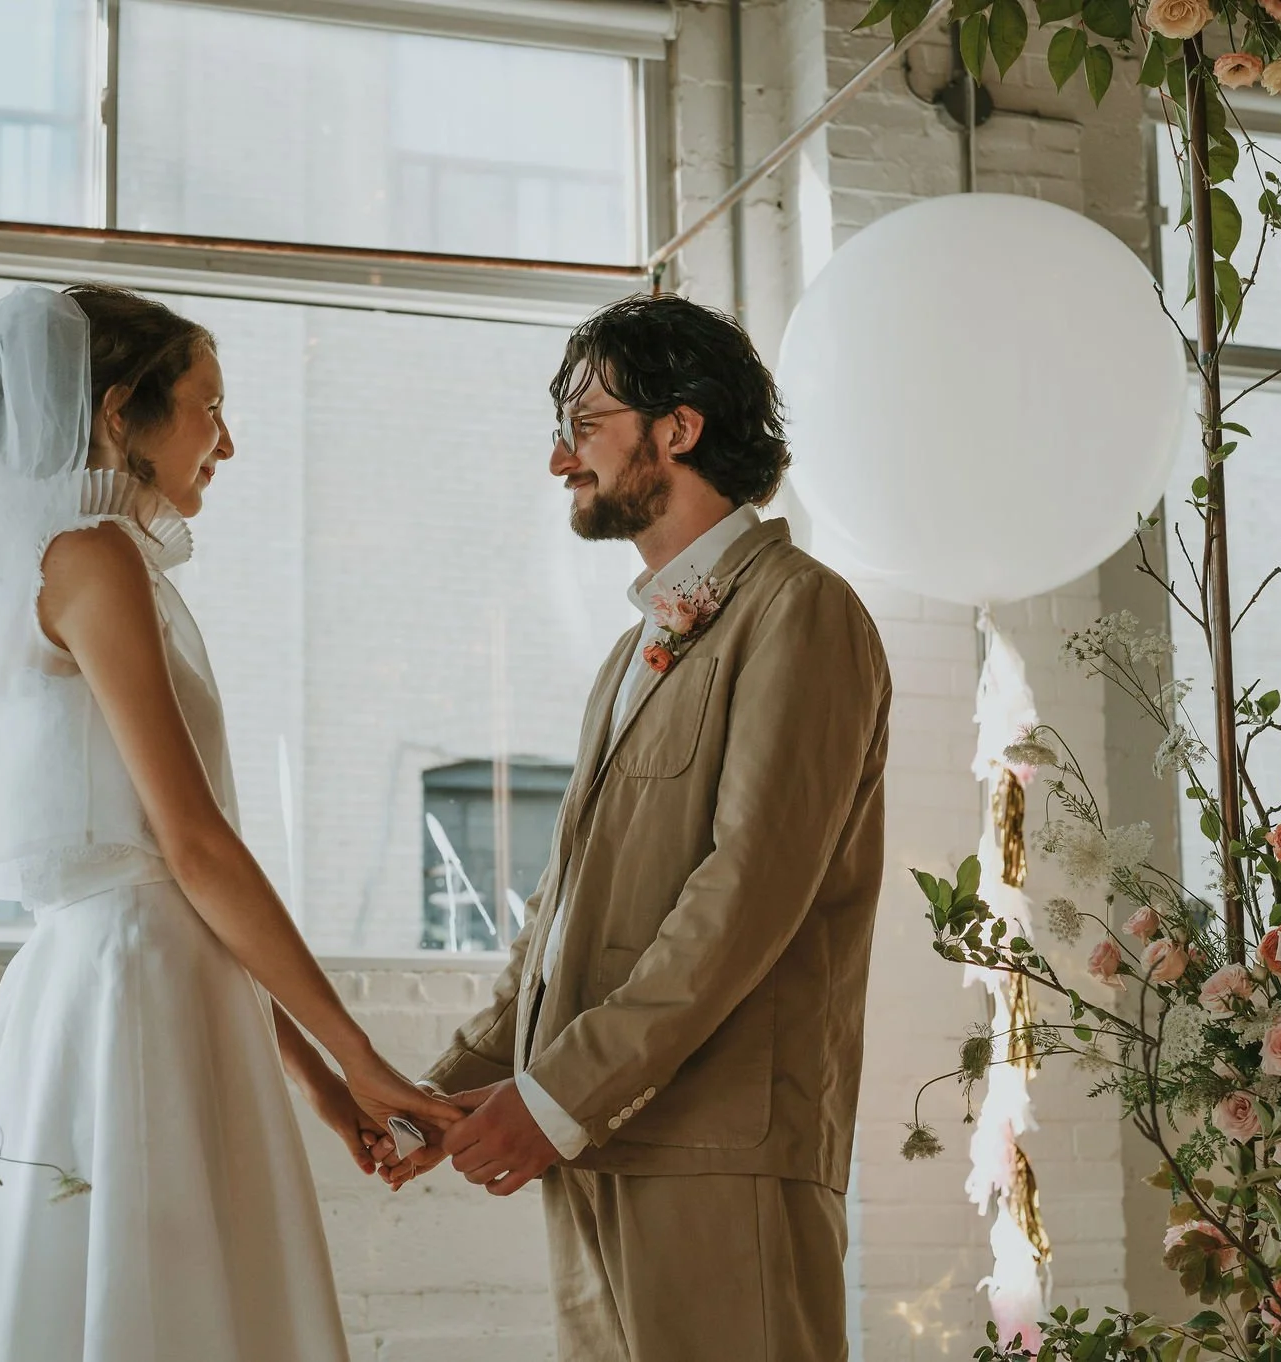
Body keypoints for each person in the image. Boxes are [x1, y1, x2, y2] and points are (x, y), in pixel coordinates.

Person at [0, 284, 454, 1361]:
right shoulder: (89, 556)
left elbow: (175, 878)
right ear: (115, 413)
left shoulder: (94, 561)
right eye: (206, 406)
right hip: (130, 985)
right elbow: (190, 849)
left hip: (146, 977)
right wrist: (361, 1053)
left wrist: (326, 1086)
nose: (225, 442)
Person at [386, 293, 892, 1362]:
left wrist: (558, 1095)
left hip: (720, 1152)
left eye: (583, 424)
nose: (560, 460)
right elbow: (563, 914)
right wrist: (429, 1097)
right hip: (597, 1145)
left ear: (677, 426)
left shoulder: (800, 610)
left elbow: (743, 892)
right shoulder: (632, 653)